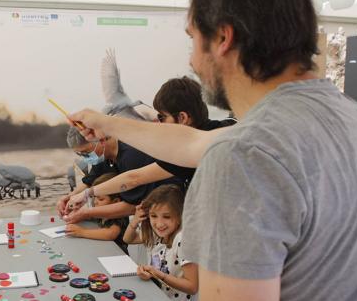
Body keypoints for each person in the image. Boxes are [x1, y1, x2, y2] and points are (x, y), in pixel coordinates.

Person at [69, 0, 357, 301]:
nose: (191, 61)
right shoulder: (352, 116)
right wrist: (106, 122)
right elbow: (193, 143)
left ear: (222, 38)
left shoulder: (243, 156)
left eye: (191, 39)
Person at [65, 77, 235, 211]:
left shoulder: (224, 136)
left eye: (162, 117)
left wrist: (105, 123)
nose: (158, 123)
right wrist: (87, 193)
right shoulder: (188, 150)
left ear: (182, 118)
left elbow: (134, 178)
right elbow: (134, 178)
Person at [62, 127, 176, 224]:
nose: (85, 158)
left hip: (171, 209)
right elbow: (90, 181)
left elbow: (132, 206)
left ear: (101, 140)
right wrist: (69, 198)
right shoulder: (104, 156)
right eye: (80, 154)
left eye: (86, 152)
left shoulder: (132, 154)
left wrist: (86, 213)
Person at [123, 185, 197, 301]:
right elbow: (127, 239)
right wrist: (135, 220)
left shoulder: (183, 240)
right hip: (156, 300)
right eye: (153, 216)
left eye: (167, 217)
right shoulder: (157, 233)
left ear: (180, 216)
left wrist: (159, 275)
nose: (159, 223)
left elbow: (192, 286)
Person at [64, 173, 129, 253]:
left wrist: (81, 232)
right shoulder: (100, 209)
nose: (95, 202)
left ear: (115, 202)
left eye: (100, 199)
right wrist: (77, 212)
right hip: (101, 249)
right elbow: (90, 216)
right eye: (94, 198)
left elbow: (111, 234)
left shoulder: (119, 215)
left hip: (117, 255)